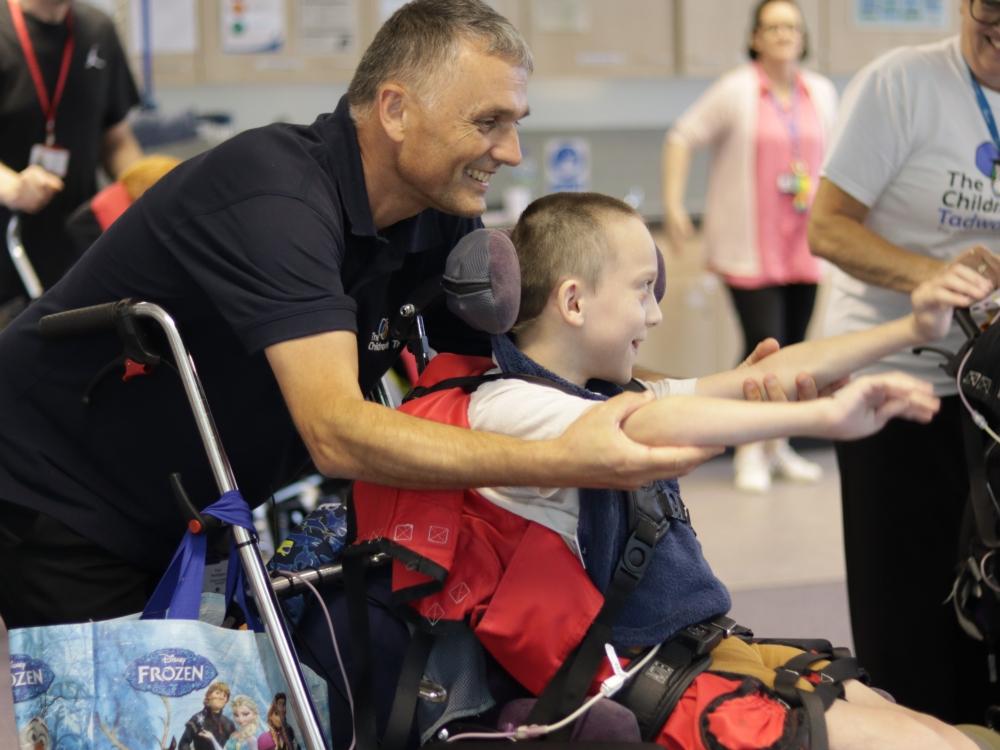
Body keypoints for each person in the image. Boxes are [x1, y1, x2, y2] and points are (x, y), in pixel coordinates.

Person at [0, 0, 782, 630]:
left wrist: (705, 397)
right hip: (59, 495)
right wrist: (572, 460)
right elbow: (336, 430)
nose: (510, 152)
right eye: (488, 122)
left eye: (515, 121)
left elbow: (528, 369)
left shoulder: (435, 217)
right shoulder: (273, 194)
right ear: (396, 109)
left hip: (193, 511)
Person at [341, 192, 997, 750]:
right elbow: (642, 429)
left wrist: (911, 325)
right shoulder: (509, 406)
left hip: (703, 648)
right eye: (641, 292)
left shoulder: (588, 391)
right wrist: (824, 417)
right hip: (642, 676)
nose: (655, 314)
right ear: (574, 302)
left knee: (939, 734)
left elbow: (754, 379)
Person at [806, 0, 1000, 725]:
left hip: (992, 384)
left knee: (987, 584)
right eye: (988, 8)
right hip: (896, 380)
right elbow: (826, 227)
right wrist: (930, 275)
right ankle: (918, 731)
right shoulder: (902, 85)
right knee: (909, 593)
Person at [662, 0, 838, 493]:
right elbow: (681, 136)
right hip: (751, 247)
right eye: (772, 27)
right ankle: (747, 448)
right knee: (766, 349)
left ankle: (776, 445)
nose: (783, 34)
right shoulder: (737, 89)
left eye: (791, 27)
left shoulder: (820, 92)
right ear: (755, 36)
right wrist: (674, 204)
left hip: (804, 244)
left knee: (796, 350)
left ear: (803, 38)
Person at [0, 0, 143, 324]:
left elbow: (116, 138)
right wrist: (13, 188)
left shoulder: (97, 29)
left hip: (75, 253)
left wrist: (144, 183)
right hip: (10, 249)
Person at [178, 682, 236, 750]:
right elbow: (184, 743)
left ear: (226, 701)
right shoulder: (197, 719)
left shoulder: (229, 724)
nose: (221, 697)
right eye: (218, 693)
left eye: (225, 696)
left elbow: (235, 745)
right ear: (209, 695)